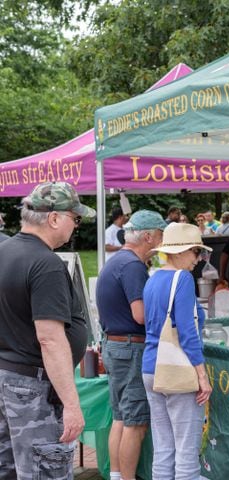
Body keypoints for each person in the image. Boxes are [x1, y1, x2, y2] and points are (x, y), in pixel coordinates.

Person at [0, 181, 95, 478]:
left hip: (9, 377)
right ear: (54, 218)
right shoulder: (45, 264)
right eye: (74, 218)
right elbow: (50, 339)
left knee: (10, 468)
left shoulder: (5, 251)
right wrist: (71, 405)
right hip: (32, 386)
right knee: (44, 471)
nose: (76, 226)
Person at [96, 210, 166, 480]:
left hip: (115, 346)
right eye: (160, 235)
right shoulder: (134, 265)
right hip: (131, 348)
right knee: (135, 424)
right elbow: (141, 314)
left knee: (121, 418)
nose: (161, 241)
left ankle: (116, 476)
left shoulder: (118, 261)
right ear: (148, 236)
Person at [142, 223, 213, 479]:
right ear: (182, 251)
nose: (198, 259)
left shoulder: (153, 279)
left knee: (163, 449)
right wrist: (202, 375)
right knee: (186, 452)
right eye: (196, 251)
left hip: (151, 367)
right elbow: (186, 331)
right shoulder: (181, 279)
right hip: (177, 370)